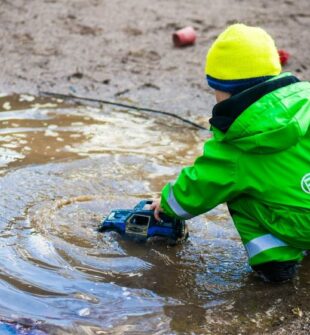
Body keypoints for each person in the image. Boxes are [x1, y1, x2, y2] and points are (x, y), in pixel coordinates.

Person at [150, 23, 310, 283]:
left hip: (298, 224)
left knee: (238, 192)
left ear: (224, 91)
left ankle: (276, 264)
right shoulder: (307, 102)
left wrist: (167, 204)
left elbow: (201, 185)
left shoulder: (235, 144)